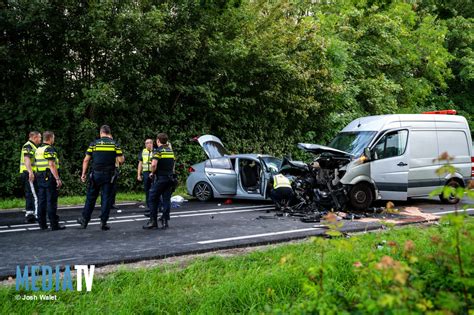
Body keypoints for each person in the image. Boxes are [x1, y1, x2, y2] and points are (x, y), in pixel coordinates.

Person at [77, 125, 124, 231]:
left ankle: (84, 220)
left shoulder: (94, 144)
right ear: (109, 133)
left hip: (95, 175)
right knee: (106, 198)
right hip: (109, 175)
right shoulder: (115, 144)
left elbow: (86, 160)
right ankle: (103, 222)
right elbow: (121, 160)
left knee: (91, 198)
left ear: (101, 133)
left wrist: (83, 173)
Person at [143, 133, 176, 230]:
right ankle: (165, 221)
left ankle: (153, 221)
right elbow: (173, 164)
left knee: (152, 197)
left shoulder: (158, 151)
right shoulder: (170, 151)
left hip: (161, 178)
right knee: (166, 199)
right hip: (170, 178)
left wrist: (152, 173)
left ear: (158, 141)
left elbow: (153, 165)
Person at [35, 131, 65, 230]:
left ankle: (42, 224)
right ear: (50, 138)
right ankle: (54, 225)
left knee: (42, 201)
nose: (54, 140)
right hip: (49, 177)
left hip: (40, 176)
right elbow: (51, 165)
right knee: (51, 201)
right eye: (53, 138)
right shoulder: (49, 149)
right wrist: (57, 178)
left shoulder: (38, 149)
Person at [19, 131, 41, 223]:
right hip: (29, 173)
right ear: (35, 137)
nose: (40, 140)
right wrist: (30, 172)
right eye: (39, 138)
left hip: (27, 172)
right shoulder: (28, 146)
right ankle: (36, 215)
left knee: (30, 194)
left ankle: (30, 215)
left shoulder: (31, 146)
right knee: (35, 195)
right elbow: (27, 159)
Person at [137, 139, 154, 210]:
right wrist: (138, 174)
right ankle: (148, 206)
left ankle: (158, 206)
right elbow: (140, 163)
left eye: (150, 143)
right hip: (146, 172)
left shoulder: (156, 151)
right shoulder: (143, 151)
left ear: (153, 144)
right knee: (147, 190)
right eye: (147, 143)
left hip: (154, 172)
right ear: (145, 144)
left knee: (155, 190)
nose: (149, 144)